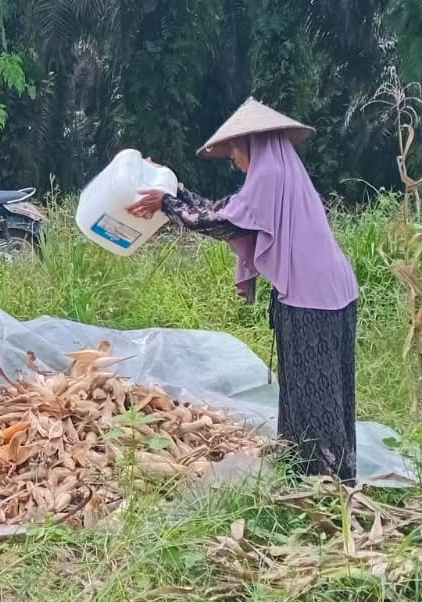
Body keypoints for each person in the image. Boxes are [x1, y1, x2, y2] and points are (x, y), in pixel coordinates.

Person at [127, 99, 360, 481]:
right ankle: (326, 472)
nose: (234, 160)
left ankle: (324, 482)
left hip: (311, 300)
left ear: (251, 145)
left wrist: (167, 203)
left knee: (313, 392)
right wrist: (172, 190)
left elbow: (219, 223)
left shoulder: (269, 180)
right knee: (327, 388)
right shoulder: (280, 177)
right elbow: (221, 209)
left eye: (234, 151)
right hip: (331, 292)